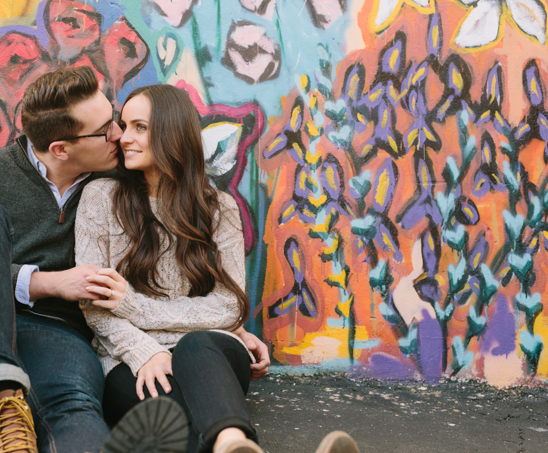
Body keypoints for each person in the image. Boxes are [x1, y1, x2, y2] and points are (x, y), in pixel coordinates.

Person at [0, 66, 190, 453]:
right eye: (105, 129)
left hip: (56, 336)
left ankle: (14, 420)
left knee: (76, 413)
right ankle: (0, 393)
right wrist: (50, 283)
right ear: (61, 148)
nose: (119, 134)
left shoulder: (117, 182)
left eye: (114, 119)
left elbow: (178, 252)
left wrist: (224, 324)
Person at [74, 85, 358, 453]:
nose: (124, 138)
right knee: (175, 419)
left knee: (195, 345)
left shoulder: (218, 208)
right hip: (129, 358)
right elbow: (95, 307)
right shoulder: (101, 197)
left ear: (171, 131)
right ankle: (232, 442)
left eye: (139, 127)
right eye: (124, 126)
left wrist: (134, 306)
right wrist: (145, 351)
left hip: (210, 355)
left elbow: (228, 306)